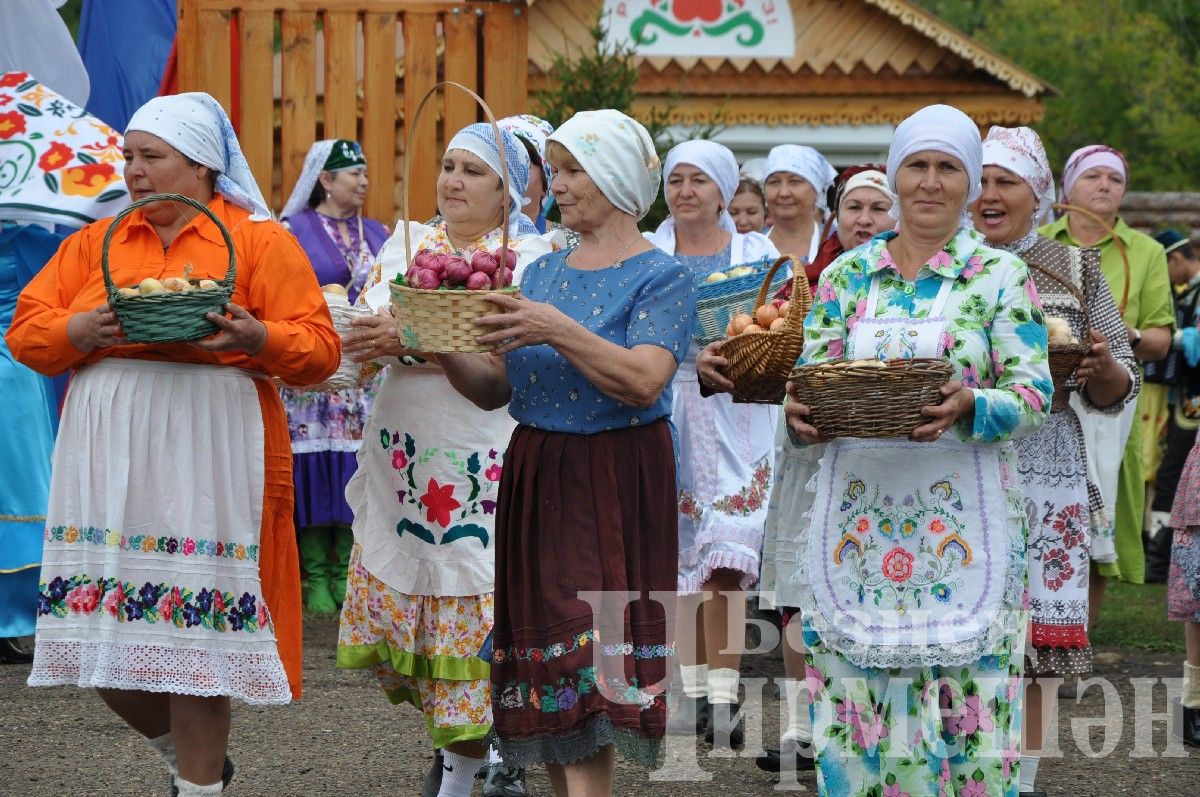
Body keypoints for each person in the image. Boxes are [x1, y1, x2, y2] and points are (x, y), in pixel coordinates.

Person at [6, 92, 340, 797]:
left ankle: (198, 789)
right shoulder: (95, 244)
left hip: (210, 451)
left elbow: (319, 349)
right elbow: (26, 329)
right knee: (95, 640)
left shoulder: (257, 242)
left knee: (197, 643)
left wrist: (259, 337)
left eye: (151, 157)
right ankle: (189, 758)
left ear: (202, 168)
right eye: (129, 156)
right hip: (108, 459)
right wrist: (77, 334)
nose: (133, 170)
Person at [786, 104, 1051, 797]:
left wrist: (972, 406)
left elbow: (1033, 395)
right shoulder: (846, 278)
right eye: (917, 165)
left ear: (969, 186)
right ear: (895, 174)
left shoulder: (998, 277)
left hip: (966, 531)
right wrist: (798, 413)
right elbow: (812, 383)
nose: (930, 183)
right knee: (856, 720)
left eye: (947, 168)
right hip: (858, 528)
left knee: (971, 725)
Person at [436, 109, 697, 797]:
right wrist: (436, 341)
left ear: (614, 175)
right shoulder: (541, 271)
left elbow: (643, 378)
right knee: (549, 665)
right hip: (538, 471)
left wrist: (555, 326)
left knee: (585, 650)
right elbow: (495, 388)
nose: (558, 181)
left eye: (575, 168)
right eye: (556, 168)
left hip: (613, 476)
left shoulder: (661, 276)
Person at [335, 123, 560, 797]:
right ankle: (467, 764)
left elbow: (505, 369)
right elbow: (364, 338)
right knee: (428, 638)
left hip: (482, 449)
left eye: (474, 171)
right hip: (404, 455)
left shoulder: (532, 258)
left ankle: (470, 772)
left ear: (508, 191)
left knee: (478, 619)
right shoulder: (407, 246)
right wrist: (359, 339)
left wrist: (416, 336)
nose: (454, 181)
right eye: (449, 166)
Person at [705, 164, 897, 775]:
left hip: (885, 463)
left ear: (896, 217)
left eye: (877, 209)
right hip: (812, 451)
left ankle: (872, 726)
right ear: (835, 216)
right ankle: (800, 728)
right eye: (854, 208)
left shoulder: (911, 285)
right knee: (797, 592)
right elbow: (779, 363)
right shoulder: (810, 285)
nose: (864, 220)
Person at [973, 125, 1137, 797]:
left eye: (1005, 182)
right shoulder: (944, 263)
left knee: (1035, 646)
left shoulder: (1072, 268)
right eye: (979, 180)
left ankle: (1025, 781)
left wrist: (1098, 367)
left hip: (1046, 466)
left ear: (1037, 193)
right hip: (966, 459)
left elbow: (1121, 374)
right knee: (968, 635)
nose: (988, 195)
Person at [643, 140, 778, 749]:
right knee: (676, 559)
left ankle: (724, 696)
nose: (686, 191)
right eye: (676, 180)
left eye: (700, 180)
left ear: (724, 191)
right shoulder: (648, 253)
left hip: (737, 413)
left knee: (724, 557)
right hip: (667, 407)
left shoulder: (757, 252)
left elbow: (780, 323)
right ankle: (688, 689)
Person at [1040, 146, 1173, 605]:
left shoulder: (1146, 251)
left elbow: (1161, 339)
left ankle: (1079, 641)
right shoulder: (1041, 241)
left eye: (1114, 179)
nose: (1103, 186)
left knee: (1097, 537)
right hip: (1049, 395)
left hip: (1113, 400)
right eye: (1092, 176)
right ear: (1068, 186)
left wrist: (1120, 335)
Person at [277, 139, 388, 614]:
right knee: (312, 460)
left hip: (362, 376)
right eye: (352, 173)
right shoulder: (293, 230)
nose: (363, 181)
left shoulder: (380, 232)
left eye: (365, 173)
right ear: (325, 180)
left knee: (353, 465)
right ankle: (312, 575)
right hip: (313, 374)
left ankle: (346, 569)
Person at [0, 222, 63, 663]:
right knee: (21, 495)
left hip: (16, 370)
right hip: (12, 373)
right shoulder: (25, 235)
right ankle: (9, 620)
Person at [1146, 231, 1200, 583]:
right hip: (1184, 398)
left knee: (1174, 476)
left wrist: (1168, 337)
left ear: (1175, 259)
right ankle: (1162, 559)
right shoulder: (1191, 292)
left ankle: (1161, 561)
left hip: (1194, 402)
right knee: (1171, 475)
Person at [761, 145, 836, 283]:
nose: (783, 193)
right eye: (774, 182)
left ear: (816, 190)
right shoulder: (751, 245)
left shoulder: (836, 243)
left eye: (794, 182)